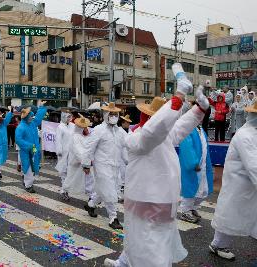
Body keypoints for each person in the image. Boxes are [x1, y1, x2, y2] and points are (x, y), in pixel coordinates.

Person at [104, 63, 210, 267]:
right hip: (147, 199)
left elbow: (178, 126)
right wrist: (178, 97)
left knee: (152, 243)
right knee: (139, 235)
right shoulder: (136, 138)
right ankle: (124, 262)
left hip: (154, 200)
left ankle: (128, 262)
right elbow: (153, 132)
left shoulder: (157, 135)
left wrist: (199, 109)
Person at [209, 101, 257, 260]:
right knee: (229, 216)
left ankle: (218, 244)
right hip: (240, 184)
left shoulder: (252, 133)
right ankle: (218, 245)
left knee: (236, 214)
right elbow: (254, 165)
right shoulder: (246, 136)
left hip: (247, 184)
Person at [82, 102, 126, 230]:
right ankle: (113, 217)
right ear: (106, 114)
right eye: (111, 114)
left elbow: (128, 146)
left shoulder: (120, 132)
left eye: (115, 114)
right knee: (109, 190)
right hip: (101, 165)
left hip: (115, 165)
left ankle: (91, 204)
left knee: (106, 189)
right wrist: (86, 163)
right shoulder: (98, 130)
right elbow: (89, 147)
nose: (113, 116)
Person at [178, 123, 214, 224]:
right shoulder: (187, 128)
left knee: (202, 190)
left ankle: (192, 208)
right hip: (193, 166)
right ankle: (185, 211)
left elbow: (205, 147)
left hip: (202, 165)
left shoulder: (200, 129)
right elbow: (187, 148)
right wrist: (193, 163)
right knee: (190, 189)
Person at [15, 102, 47, 193]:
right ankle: (28, 185)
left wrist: (41, 108)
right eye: (30, 117)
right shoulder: (21, 127)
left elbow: (38, 118)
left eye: (32, 117)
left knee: (34, 165)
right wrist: (28, 146)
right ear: (25, 117)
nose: (32, 118)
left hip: (34, 149)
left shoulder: (32, 124)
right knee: (28, 167)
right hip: (26, 151)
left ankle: (27, 181)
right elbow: (18, 140)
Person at [63, 115, 95, 198]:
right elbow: (79, 151)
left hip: (81, 160)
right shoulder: (75, 137)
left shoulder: (80, 136)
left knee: (78, 178)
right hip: (76, 160)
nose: (85, 129)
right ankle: (65, 190)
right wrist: (85, 162)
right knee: (71, 177)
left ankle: (90, 195)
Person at [55, 109, 73, 200]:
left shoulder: (72, 126)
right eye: (68, 116)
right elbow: (58, 140)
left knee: (70, 172)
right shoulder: (60, 127)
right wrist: (59, 151)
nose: (69, 118)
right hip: (63, 153)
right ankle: (64, 190)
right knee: (63, 172)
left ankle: (66, 190)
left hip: (71, 153)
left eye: (70, 116)